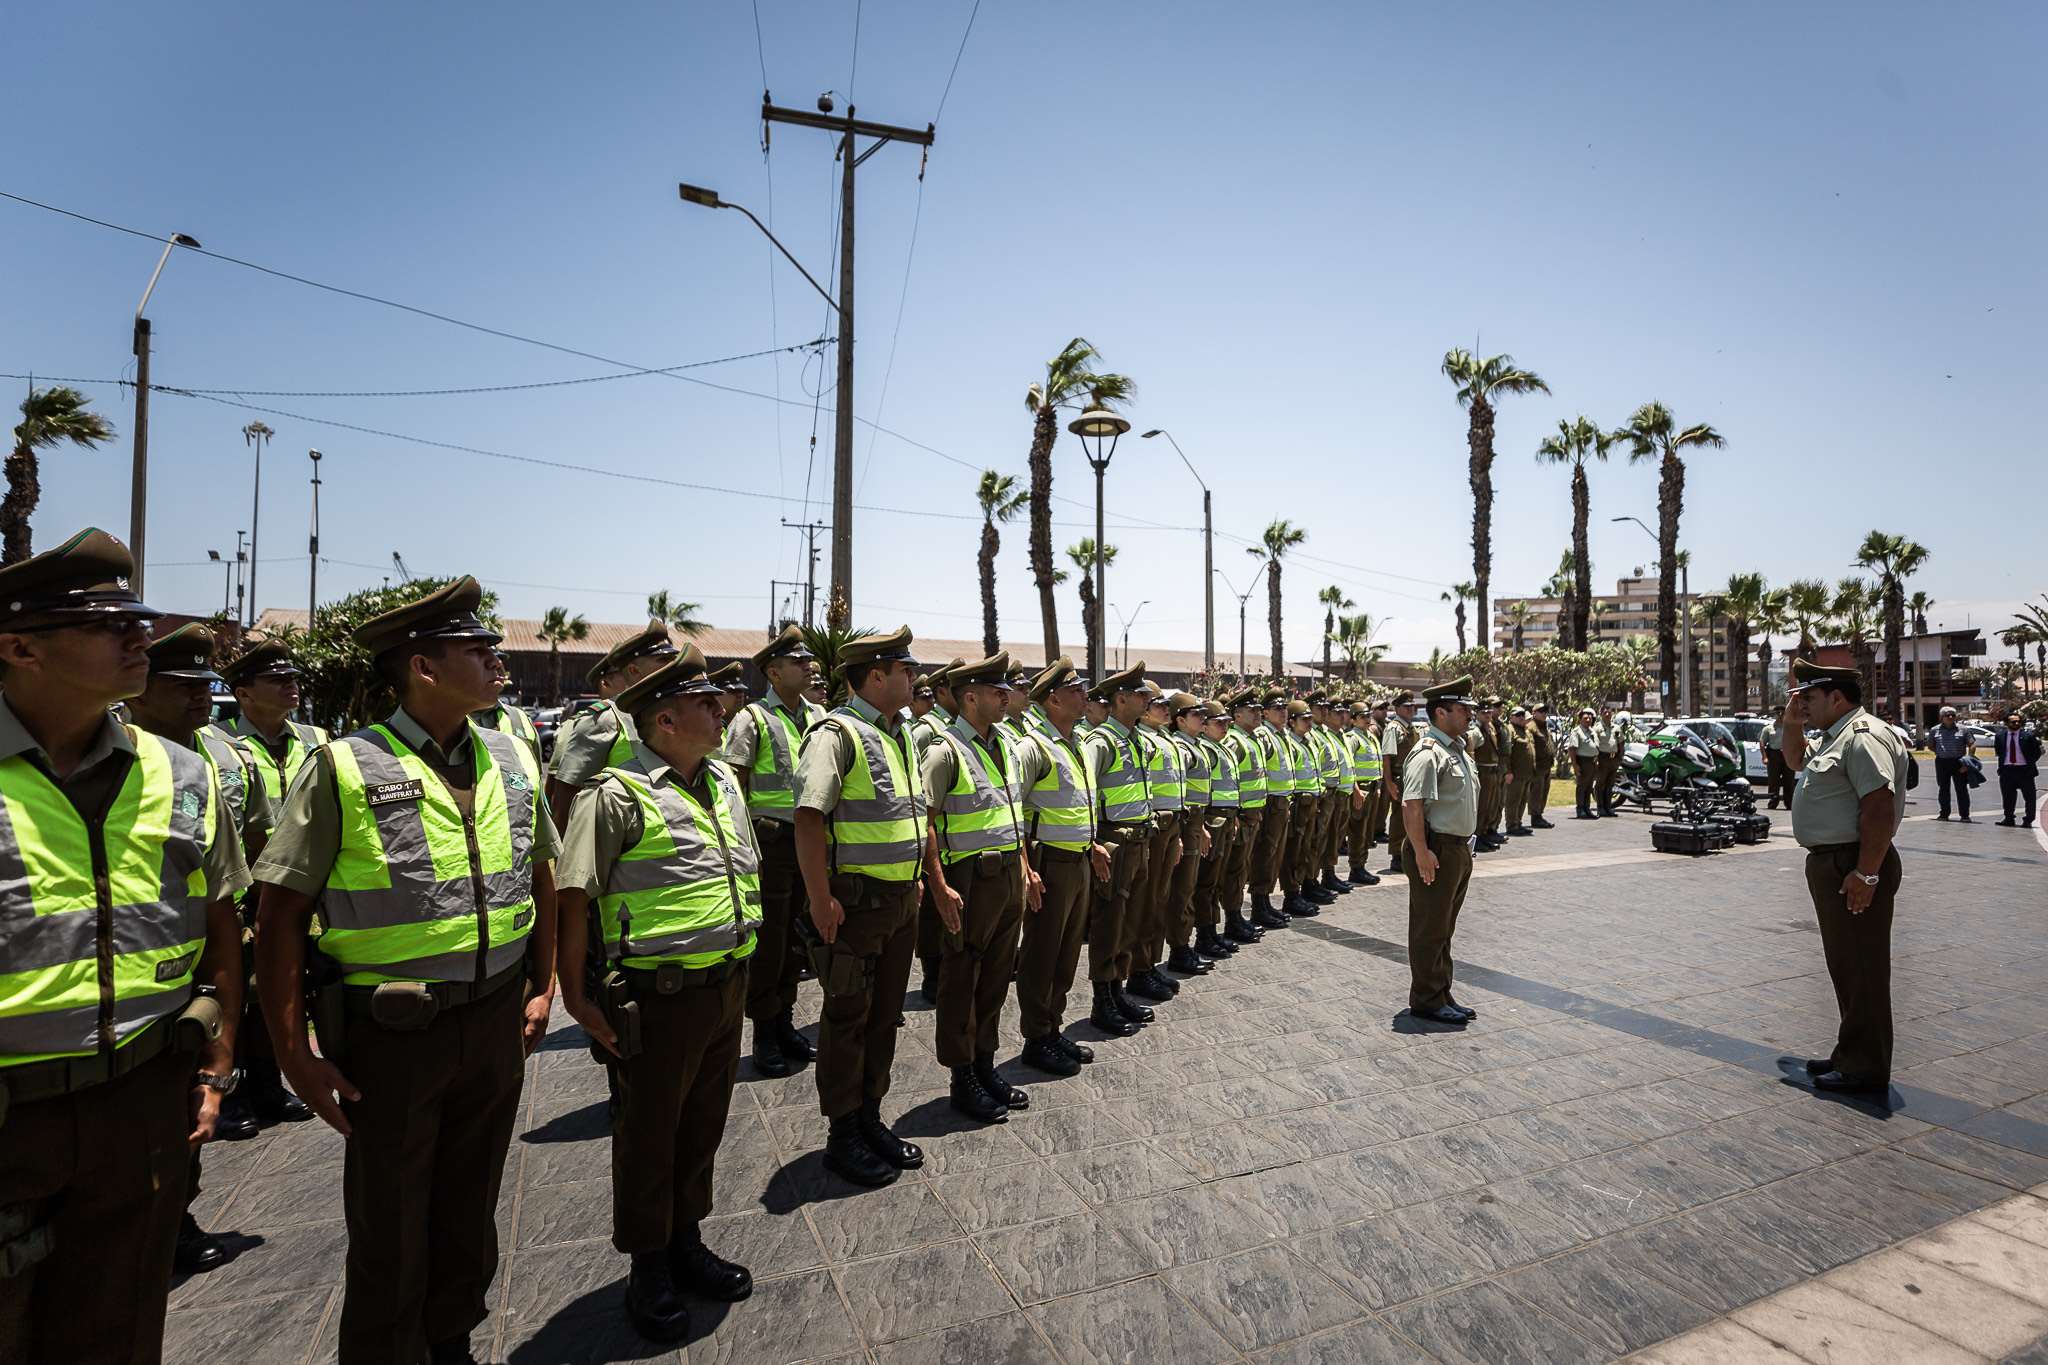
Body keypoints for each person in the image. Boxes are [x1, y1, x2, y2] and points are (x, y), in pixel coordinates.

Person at [253, 576, 558, 1365]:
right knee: (390, 1227)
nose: (498, 659)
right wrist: (293, 1053)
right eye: (478, 649)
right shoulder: (345, 765)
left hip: (493, 1021)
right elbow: (279, 913)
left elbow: (545, 872)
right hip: (397, 1038)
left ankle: (449, 1343)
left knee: (469, 1208)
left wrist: (544, 984)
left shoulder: (513, 754)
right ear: (421, 667)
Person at [0, 529, 248, 1364]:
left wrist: (215, 1066)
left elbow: (221, 929)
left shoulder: (180, 771)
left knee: (120, 1332)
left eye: (137, 619)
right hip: (12, 1111)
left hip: (140, 1100)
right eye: (109, 624)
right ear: (19, 646)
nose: (138, 636)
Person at [554, 650, 760, 1340]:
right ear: (664, 719)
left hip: (725, 983)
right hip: (657, 993)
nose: (720, 709)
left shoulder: (726, 782)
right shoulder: (614, 793)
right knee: (649, 1131)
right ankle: (648, 1263)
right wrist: (574, 995)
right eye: (705, 703)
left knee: (702, 1121)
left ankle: (686, 1239)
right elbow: (573, 894)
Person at [125, 624, 295, 1276]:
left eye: (206, 683)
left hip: (189, 971)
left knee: (182, 1116)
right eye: (184, 684)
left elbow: (225, 884)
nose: (201, 695)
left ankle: (175, 1213)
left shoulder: (205, 765)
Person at [790, 628, 940, 1187]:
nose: (913, 678)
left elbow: (915, 816)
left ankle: (870, 1115)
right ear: (875, 676)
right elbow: (809, 816)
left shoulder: (899, 734)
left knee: (883, 1018)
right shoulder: (837, 734)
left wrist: (922, 879)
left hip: (900, 902)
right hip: (854, 906)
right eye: (904, 670)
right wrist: (819, 898)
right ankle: (842, 1133)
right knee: (848, 1018)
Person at [921, 653, 1045, 1122]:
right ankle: (962, 1076)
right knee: (963, 978)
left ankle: (985, 1063)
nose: (1006, 696)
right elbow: (925, 824)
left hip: (1009, 875)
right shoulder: (943, 749)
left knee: (995, 976)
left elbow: (1014, 819)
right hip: (969, 880)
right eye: (997, 691)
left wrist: (1028, 869)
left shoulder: (1007, 747)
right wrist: (938, 885)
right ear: (970, 697)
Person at [1782, 660, 1909, 1095]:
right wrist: (1791, 724)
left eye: (1809, 698)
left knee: (1862, 968)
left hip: (1852, 865)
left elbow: (1879, 809)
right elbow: (1796, 759)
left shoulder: (1863, 738)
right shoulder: (1835, 736)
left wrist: (1866, 874)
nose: (1802, 704)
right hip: (1837, 862)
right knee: (1848, 965)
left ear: (1837, 696)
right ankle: (1850, 1052)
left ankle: (1864, 1066)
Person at [719, 625, 826, 1079]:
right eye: (796, 662)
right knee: (771, 942)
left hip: (812, 844)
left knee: (797, 941)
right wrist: (746, 851)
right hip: (772, 845)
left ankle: (784, 1022)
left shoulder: (819, 714)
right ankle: (765, 1030)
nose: (807, 666)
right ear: (772, 672)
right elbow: (732, 790)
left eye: (806, 661)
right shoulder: (752, 719)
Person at [1013, 657, 1109, 1076]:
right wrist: (1024, 867)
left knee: (1067, 952)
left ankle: (1052, 1027)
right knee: (1042, 953)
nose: (1084, 696)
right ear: (1053, 699)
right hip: (1048, 862)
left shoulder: (1076, 744)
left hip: (1079, 860)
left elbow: (1075, 807)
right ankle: (1036, 1036)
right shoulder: (1032, 747)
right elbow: (1011, 809)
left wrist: (1092, 844)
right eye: (1075, 690)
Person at [1078, 665, 1157, 1034]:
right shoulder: (1101, 742)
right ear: (1120, 699)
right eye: (1141, 695)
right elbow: (1084, 795)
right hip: (1114, 843)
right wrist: (1092, 842)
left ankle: (1117, 989)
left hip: (1138, 840)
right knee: (1109, 923)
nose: (1148, 700)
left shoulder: (1134, 738)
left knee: (1129, 921)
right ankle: (1102, 1000)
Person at [545, 621, 680, 830]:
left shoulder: (677, 717)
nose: (673, 667)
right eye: (663, 660)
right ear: (634, 670)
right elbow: (565, 803)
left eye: (673, 659)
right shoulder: (603, 720)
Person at [1400, 675, 1480, 1026]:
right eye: (1463, 709)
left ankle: (1440, 992)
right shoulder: (1427, 753)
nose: (1470, 715)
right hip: (1436, 849)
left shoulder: (1456, 750)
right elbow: (1412, 805)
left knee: (1444, 928)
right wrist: (1421, 852)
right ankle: (1427, 999)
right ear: (1440, 713)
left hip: (1457, 850)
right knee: (1429, 928)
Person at [214, 639, 330, 806]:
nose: (290, 684)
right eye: (277, 679)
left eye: (291, 678)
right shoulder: (213, 740)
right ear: (244, 695)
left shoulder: (317, 737)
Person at [1161, 692, 1217, 976]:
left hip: (1195, 823)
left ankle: (1184, 945)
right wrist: (1183, 832)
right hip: (1185, 824)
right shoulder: (1181, 749)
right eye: (1196, 714)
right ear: (1180, 721)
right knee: (1182, 889)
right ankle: (1179, 948)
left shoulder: (1193, 745)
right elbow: (1179, 794)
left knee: (1190, 885)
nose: (1203, 718)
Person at [1191, 700, 1242, 959]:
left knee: (1215, 881)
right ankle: (1204, 934)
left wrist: (1234, 816)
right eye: (1217, 722)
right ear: (1205, 726)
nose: (1224, 727)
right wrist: (1200, 825)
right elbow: (1196, 793)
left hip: (1225, 818)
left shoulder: (1219, 748)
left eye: (1226, 722)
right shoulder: (1206, 750)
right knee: (1206, 881)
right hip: (1211, 820)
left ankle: (1212, 931)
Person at [1217, 688, 1269, 945]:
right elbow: (1229, 782)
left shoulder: (1250, 738)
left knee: (1241, 868)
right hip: (1239, 816)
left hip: (1251, 814)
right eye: (1253, 710)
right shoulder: (1235, 741)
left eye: (1259, 709)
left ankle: (1236, 917)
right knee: (1234, 870)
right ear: (1237, 716)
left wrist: (1255, 811)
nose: (1259, 713)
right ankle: (1232, 919)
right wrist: (1237, 814)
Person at [1246, 690, 1295, 926]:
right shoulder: (1265, 735)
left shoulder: (1280, 734)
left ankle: (1265, 901)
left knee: (1274, 856)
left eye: (1285, 708)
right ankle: (1258, 905)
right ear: (1265, 713)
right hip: (1270, 803)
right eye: (1278, 709)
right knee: (1265, 855)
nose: (1283, 712)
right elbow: (1260, 770)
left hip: (1281, 801)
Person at [1380, 691, 1421, 874]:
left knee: (1412, 816)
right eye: (1406, 706)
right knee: (1398, 818)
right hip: (1399, 777)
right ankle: (1396, 856)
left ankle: (1407, 852)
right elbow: (1387, 758)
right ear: (1397, 709)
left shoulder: (1412, 728)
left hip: (1412, 778)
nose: (1411, 709)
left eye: (1413, 706)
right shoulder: (1394, 728)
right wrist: (1389, 783)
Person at [1345, 702, 1384, 884]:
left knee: (1368, 830)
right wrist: (1356, 790)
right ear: (1353, 720)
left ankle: (1362, 865)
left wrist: (1377, 787)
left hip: (1372, 788)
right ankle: (1356, 867)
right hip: (1361, 789)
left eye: (1368, 716)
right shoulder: (1352, 738)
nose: (1367, 720)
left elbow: (1377, 763)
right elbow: (1349, 766)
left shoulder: (1371, 736)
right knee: (1358, 829)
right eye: (1362, 717)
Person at [472, 674, 541, 766]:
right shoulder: (448, 719)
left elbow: (536, 771)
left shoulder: (520, 717)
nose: (498, 663)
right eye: (480, 659)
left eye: (501, 659)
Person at [1928, 706, 1978, 822]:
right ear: (1942, 717)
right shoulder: (1934, 730)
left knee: (1961, 789)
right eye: (1947, 715)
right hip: (1942, 762)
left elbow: (1971, 745)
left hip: (1959, 763)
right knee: (1943, 789)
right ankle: (1944, 814)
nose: (1950, 717)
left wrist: (1968, 761)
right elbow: (1931, 746)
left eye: (1953, 715)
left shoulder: (1963, 729)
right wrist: (1941, 752)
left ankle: (1965, 815)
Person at [1994, 712, 2041, 828]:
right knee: (2008, 796)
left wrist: (2028, 762)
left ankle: (2028, 820)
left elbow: (2036, 752)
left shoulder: (2028, 736)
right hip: (2006, 770)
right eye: (2013, 722)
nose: (2016, 724)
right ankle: (2009, 818)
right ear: (2006, 723)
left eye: (2018, 722)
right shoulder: (2000, 737)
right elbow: (1999, 752)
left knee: (2029, 796)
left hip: (2024, 770)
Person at [1468, 697, 1501, 852]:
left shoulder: (1491, 729)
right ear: (1477, 714)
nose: (1487, 715)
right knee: (1481, 808)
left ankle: (1484, 834)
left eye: (1489, 712)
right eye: (1483, 712)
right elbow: (1469, 752)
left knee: (1490, 807)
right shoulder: (1475, 732)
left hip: (1493, 773)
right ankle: (1477, 837)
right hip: (1483, 774)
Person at [1505, 706, 1538, 837]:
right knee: (1513, 800)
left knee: (1523, 799)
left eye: (1522, 715)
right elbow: (1507, 753)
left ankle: (1518, 823)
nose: (1520, 717)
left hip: (1527, 773)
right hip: (1515, 773)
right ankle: (1511, 825)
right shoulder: (1510, 730)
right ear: (1511, 717)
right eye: (1517, 715)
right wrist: (1508, 771)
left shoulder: (1525, 730)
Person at [1525, 704, 1557, 829]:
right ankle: (1535, 816)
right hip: (1537, 766)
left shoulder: (1546, 726)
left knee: (1544, 791)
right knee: (1536, 792)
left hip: (1547, 765)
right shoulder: (1531, 727)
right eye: (1541, 711)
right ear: (1534, 713)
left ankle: (1539, 814)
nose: (1544, 713)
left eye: (1545, 711)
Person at [1568, 707, 1601, 819]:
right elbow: (1572, 749)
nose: (1588, 720)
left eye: (1590, 718)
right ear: (1580, 719)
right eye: (1585, 718)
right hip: (1582, 761)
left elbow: (1595, 747)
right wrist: (1575, 765)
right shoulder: (1577, 732)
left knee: (1589, 786)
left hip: (1592, 762)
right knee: (1582, 786)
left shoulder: (1592, 731)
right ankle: (1580, 809)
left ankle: (1587, 808)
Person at [1760, 706, 1791, 809]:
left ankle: (1789, 802)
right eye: (1778, 713)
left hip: (1788, 755)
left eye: (1782, 713)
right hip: (1774, 755)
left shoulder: (1791, 727)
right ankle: (1773, 801)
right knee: (1773, 780)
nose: (1780, 715)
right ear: (1774, 715)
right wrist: (1765, 757)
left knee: (1789, 780)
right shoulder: (1768, 728)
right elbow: (1762, 742)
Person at [1594, 703, 1623, 818]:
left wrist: (1620, 757)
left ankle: (1608, 807)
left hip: (1613, 759)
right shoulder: (1597, 728)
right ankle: (1600, 808)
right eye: (1604, 712)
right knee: (1600, 783)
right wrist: (1595, 759)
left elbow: (1620, 743)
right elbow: (1594, 745)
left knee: (1610, 784)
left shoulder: (1616, 728)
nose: (1607, 714)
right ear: (1600, 714)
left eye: (1609, 712)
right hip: (1602, 758)